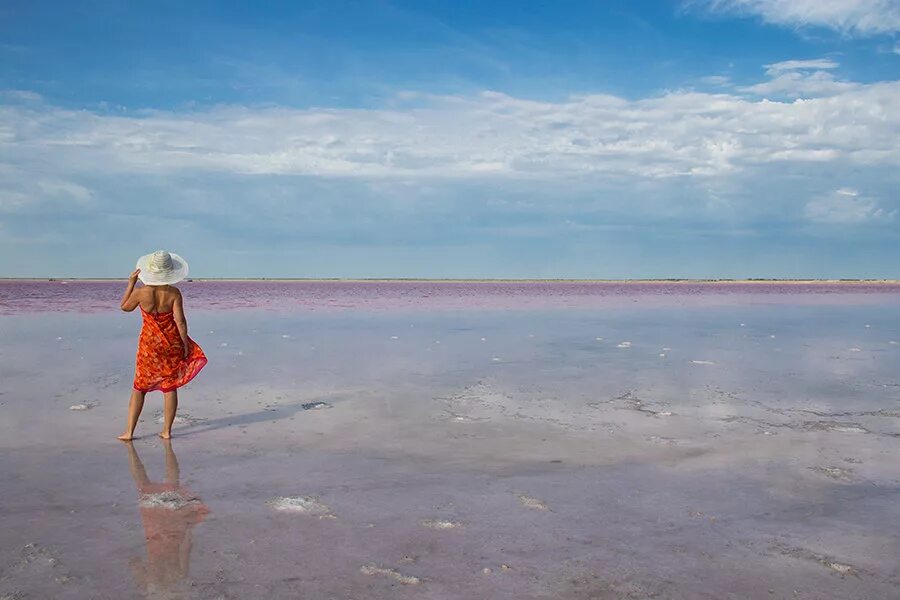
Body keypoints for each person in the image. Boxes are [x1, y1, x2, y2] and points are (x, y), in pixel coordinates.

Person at [118, 250, 207, 440]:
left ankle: (129, 432)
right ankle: (167, 431)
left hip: (149, 345)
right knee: (170, 386)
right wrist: (184, 344)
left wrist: (131, 284)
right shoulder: (174, 293)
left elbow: (124, 307)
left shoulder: (141, 292)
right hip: (171, 342)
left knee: (139, 387)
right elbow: (180, 322)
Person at [124, 440, 209, 598]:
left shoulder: (172, 578)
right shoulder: (160, 582)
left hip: (167, 531)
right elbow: (185, 550)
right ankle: (136, 450)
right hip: (159, 531)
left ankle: (137, 450)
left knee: (169, 484)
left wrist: (188, 530)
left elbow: (185, 549)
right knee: (148, 486)